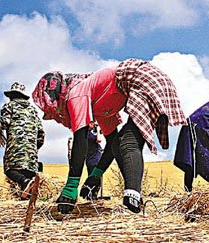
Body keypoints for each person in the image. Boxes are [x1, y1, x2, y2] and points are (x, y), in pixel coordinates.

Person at [34, 58, 185, 213]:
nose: (58, 119)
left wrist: (71, 186)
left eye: (55, 113)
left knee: (128, 143)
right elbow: (113, 144)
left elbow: (80, 139)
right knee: (121, 143)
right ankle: (135, 199)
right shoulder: (99, 105)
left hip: (144, 78)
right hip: (152, 80)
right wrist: (96, 175)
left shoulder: (76, 94)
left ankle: (132, 196)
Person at [0, 82, 45, 200]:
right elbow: (41, 133)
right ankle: (26, 198)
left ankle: (24, 181)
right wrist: (34, 148)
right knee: (28, 172)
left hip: (16, 145)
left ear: (12, 95)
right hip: (31, 149)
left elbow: (4, 123)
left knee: (10, 170)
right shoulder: (33, 110)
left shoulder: (9, 106)